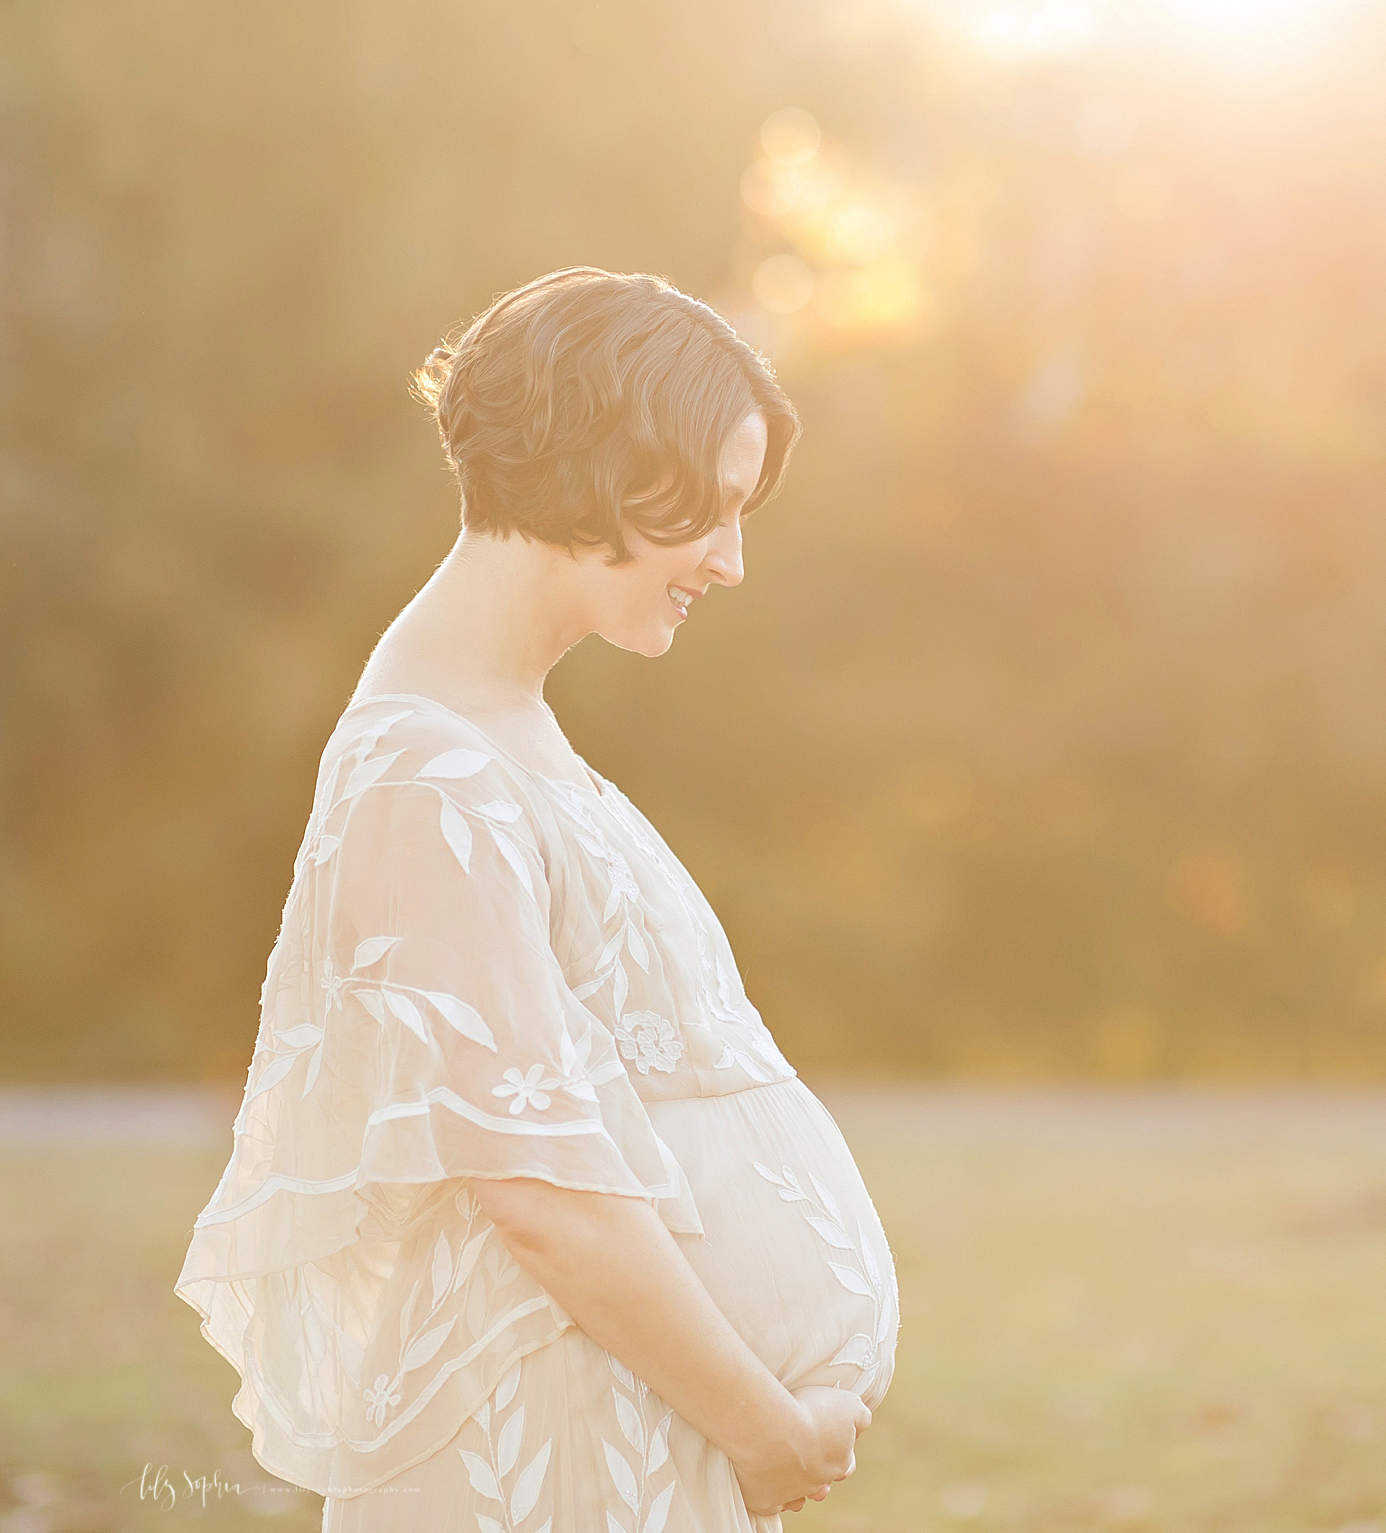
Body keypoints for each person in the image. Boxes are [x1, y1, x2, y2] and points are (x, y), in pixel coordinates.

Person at [174, 267, 899, 1529]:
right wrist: (763, 1427)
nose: (730, 562)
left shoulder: (502, 731)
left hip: (611, 1436)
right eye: (712, 512)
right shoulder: (424, 770)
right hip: (547, 1461)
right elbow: (540, 1192)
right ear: (607, 468)